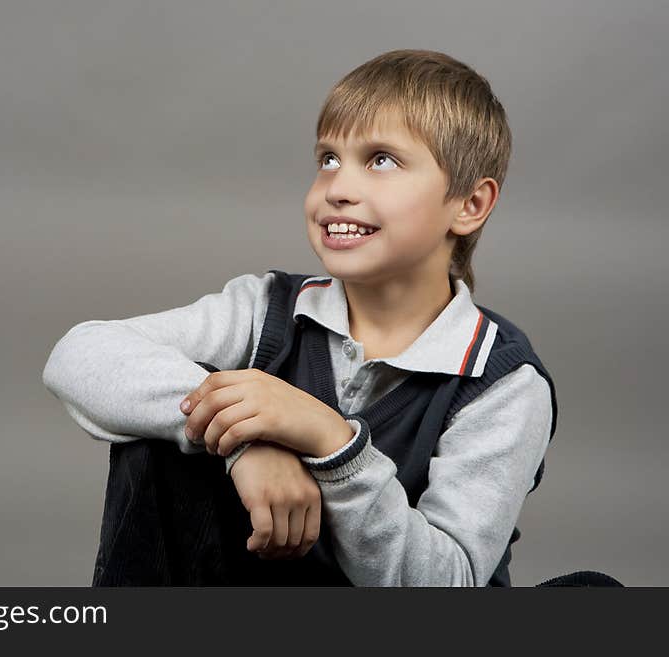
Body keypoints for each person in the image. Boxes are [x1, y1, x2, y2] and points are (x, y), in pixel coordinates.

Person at [42, 49, 563, 586]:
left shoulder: (502, 382)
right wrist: (245, 440)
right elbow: (80, 354)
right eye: (328, 159)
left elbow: (445, 582)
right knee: (160, 440)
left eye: (381, 160)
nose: (337, 188)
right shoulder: (267, 310)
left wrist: (333, 443)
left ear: (470, 205)